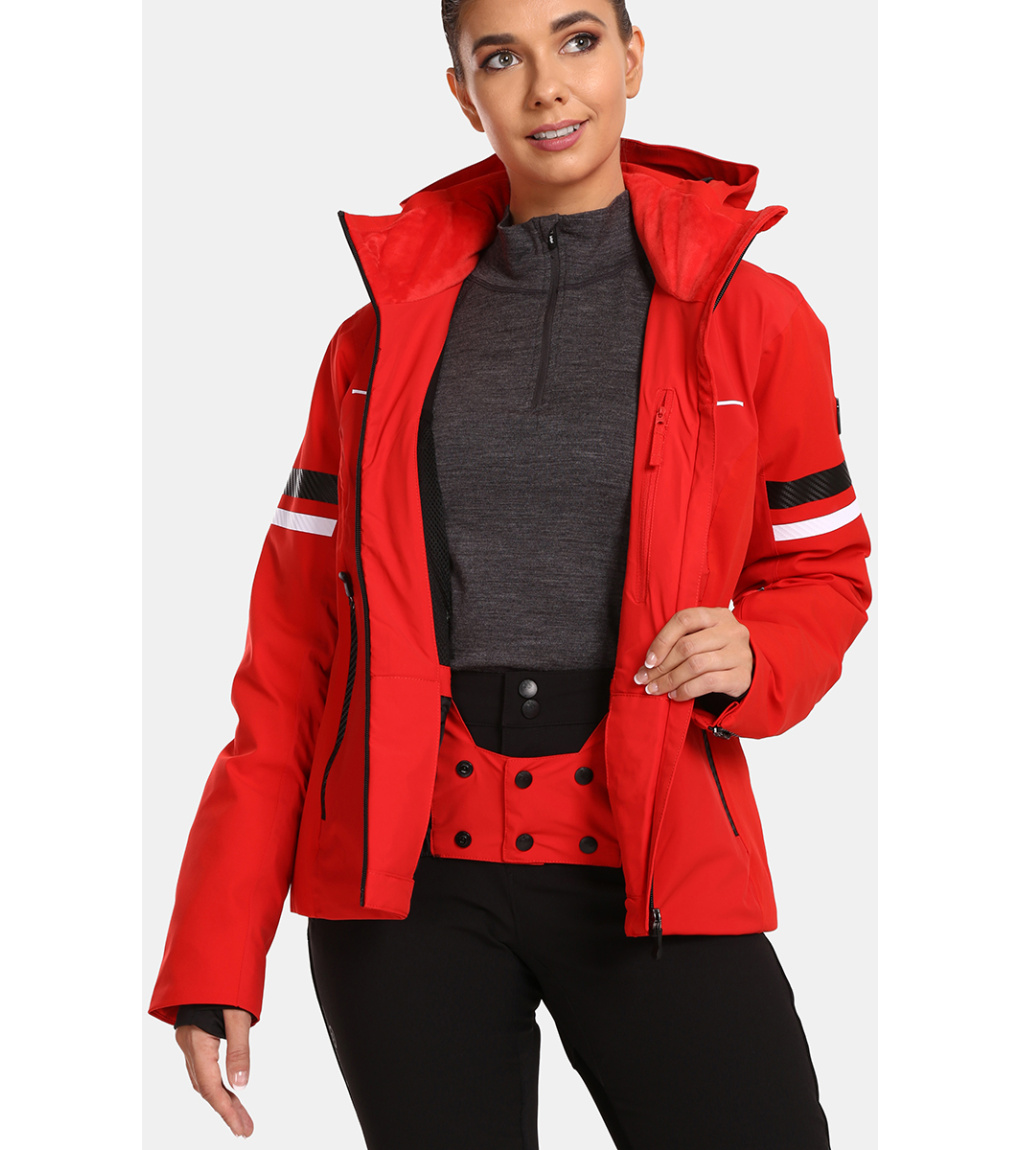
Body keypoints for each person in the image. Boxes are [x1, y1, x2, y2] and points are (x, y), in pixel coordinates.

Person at [150, 1, 872, 1146]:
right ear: (462, 91)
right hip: (404, 890)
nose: (547, 85)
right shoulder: (372, 344)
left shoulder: (757, 320)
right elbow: (288, 659)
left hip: (654, 860)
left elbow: (823, 565)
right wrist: (214, 950)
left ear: (633, 58)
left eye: (578, 40)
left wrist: (757, 649)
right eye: (502, 57)